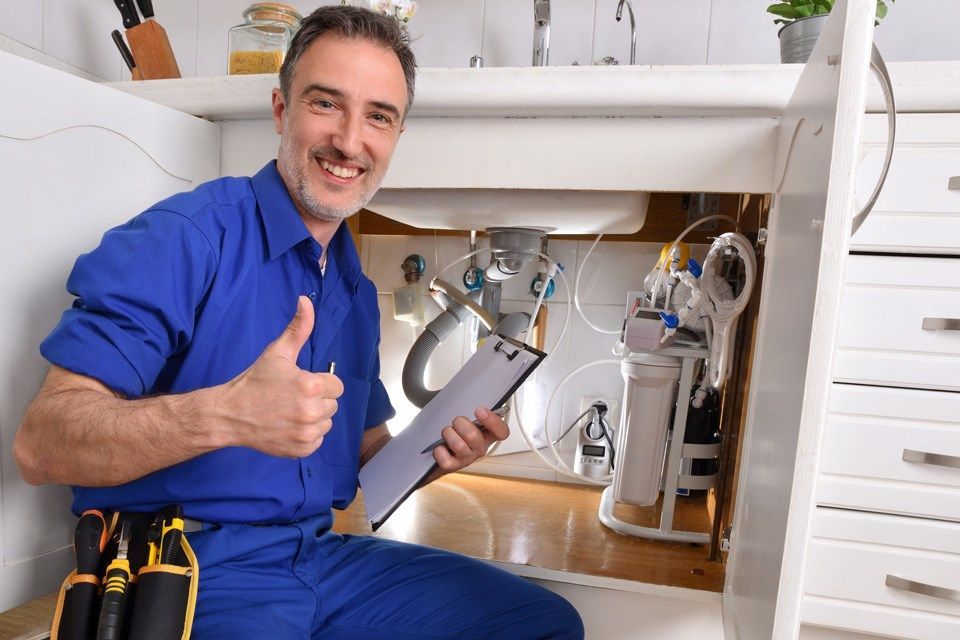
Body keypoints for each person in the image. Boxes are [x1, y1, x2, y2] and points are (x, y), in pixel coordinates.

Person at [13, 6, 584, 640]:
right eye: (325, 104)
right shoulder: (184, 240)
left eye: (378, 116)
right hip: (184, 570)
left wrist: (435, 455)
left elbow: (366, 457)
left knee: (542, 625)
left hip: (317, 560)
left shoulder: (354, 288)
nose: (349, 140)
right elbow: (42, 444)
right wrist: (227, 414)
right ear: (282, 110)